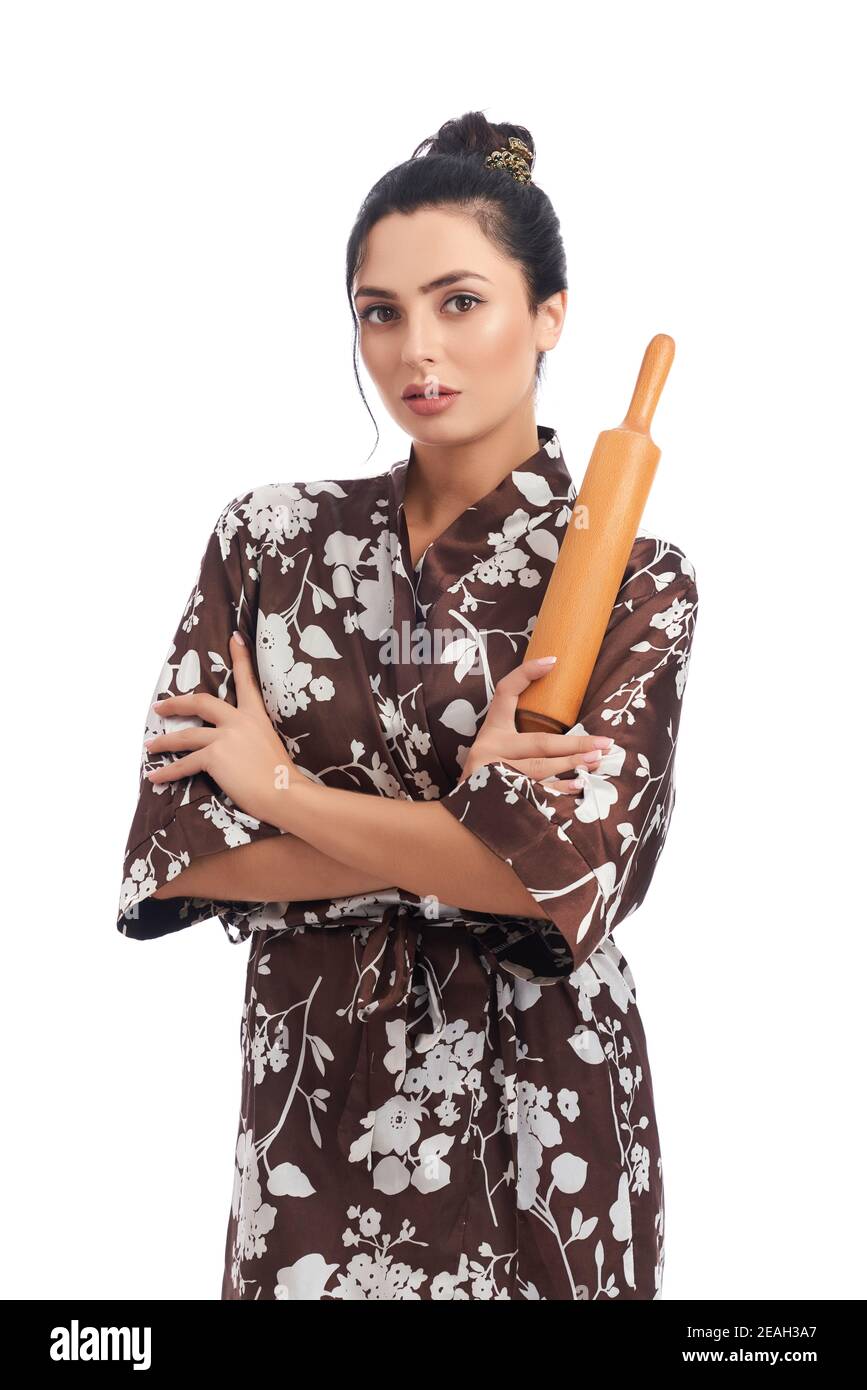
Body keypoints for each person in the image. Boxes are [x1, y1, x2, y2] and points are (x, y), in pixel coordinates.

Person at [116, 110, 699, 1301]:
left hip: (537, 1110)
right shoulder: (268, 540)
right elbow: (180, 855)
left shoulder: (637, 580)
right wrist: (471, 828)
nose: (414, 350)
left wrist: (280, 791)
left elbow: (571, 878)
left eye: (460, 302)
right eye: (380, 311)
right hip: (310, 1103)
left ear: (549, 315)